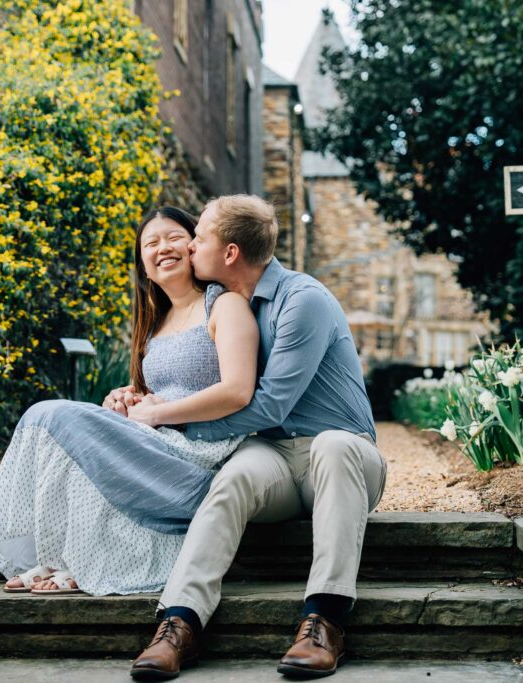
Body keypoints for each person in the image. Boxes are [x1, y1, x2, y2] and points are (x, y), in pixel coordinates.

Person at [118, 195, 387, 680]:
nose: (189, 244)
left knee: (333, 445)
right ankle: (178, 622)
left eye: (198, 237)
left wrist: (167, 419)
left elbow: (267, 404)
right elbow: (211, 385)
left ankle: (324, 620)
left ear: (229, 254)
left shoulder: (301, 300)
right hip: (277, 456)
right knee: (235, 476)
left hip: (345, 455)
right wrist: (141, 397)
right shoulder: (229, 305)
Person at [0, 206, 258, 596]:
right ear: (143, 265)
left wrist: (157, 413)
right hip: (160, 438)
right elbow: (161, 391)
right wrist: (127, 398)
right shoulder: (155, 323)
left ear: (194, 247)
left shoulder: (224, 305)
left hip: (201, 450)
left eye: (174, 237)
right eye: (151, 243)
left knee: (54, 415)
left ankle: (80, 560)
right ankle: (62, 555)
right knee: (70, 434)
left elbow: (237, 390)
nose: (164, 248)